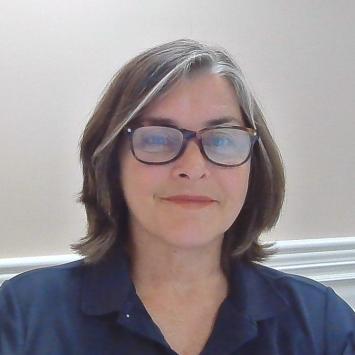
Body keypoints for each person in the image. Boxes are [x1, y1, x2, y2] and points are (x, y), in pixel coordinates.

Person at [0, 39, 354, 355]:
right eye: (156, 138)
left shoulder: (322, 323)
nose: (193, 168)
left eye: (222, 138)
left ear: (254, 167)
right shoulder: (23, 315)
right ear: (111, 162)